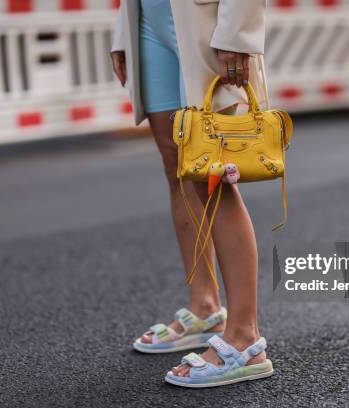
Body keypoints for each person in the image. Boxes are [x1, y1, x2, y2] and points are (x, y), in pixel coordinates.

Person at [110, 0, 272, 387]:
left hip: (205, 20)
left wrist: (237, 32)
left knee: (213, 172)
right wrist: (124, 30)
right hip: (149, 20)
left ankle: (245, 338)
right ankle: (205, 307)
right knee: (177, 163)